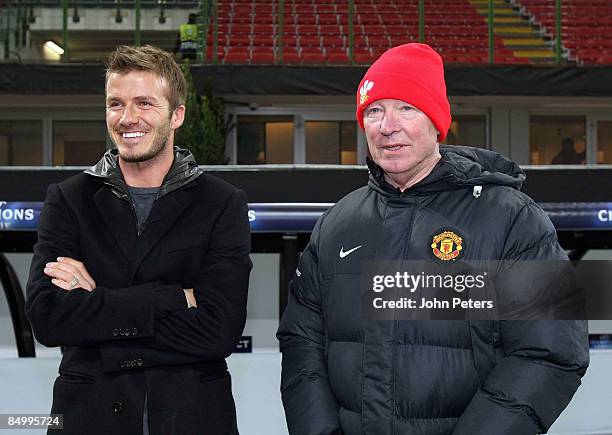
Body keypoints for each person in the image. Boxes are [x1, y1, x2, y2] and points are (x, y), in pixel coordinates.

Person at [277, 43, 589, 435]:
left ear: (436, 121)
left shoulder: (512, 219)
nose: (387, 125)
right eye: (374, 111)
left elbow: (550, 351)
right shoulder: (337, 224)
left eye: (406, 107)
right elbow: (302, 343)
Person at [26, 45, 251, 434]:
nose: (127, 118)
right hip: (89, 418)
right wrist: (174, 298)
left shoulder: (221, 202)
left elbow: (219, 330)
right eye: (116, 104)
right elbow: (48, 318)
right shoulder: (69, 198)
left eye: (144, 103)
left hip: (192, 418)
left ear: (176, 114)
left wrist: (97, 313)